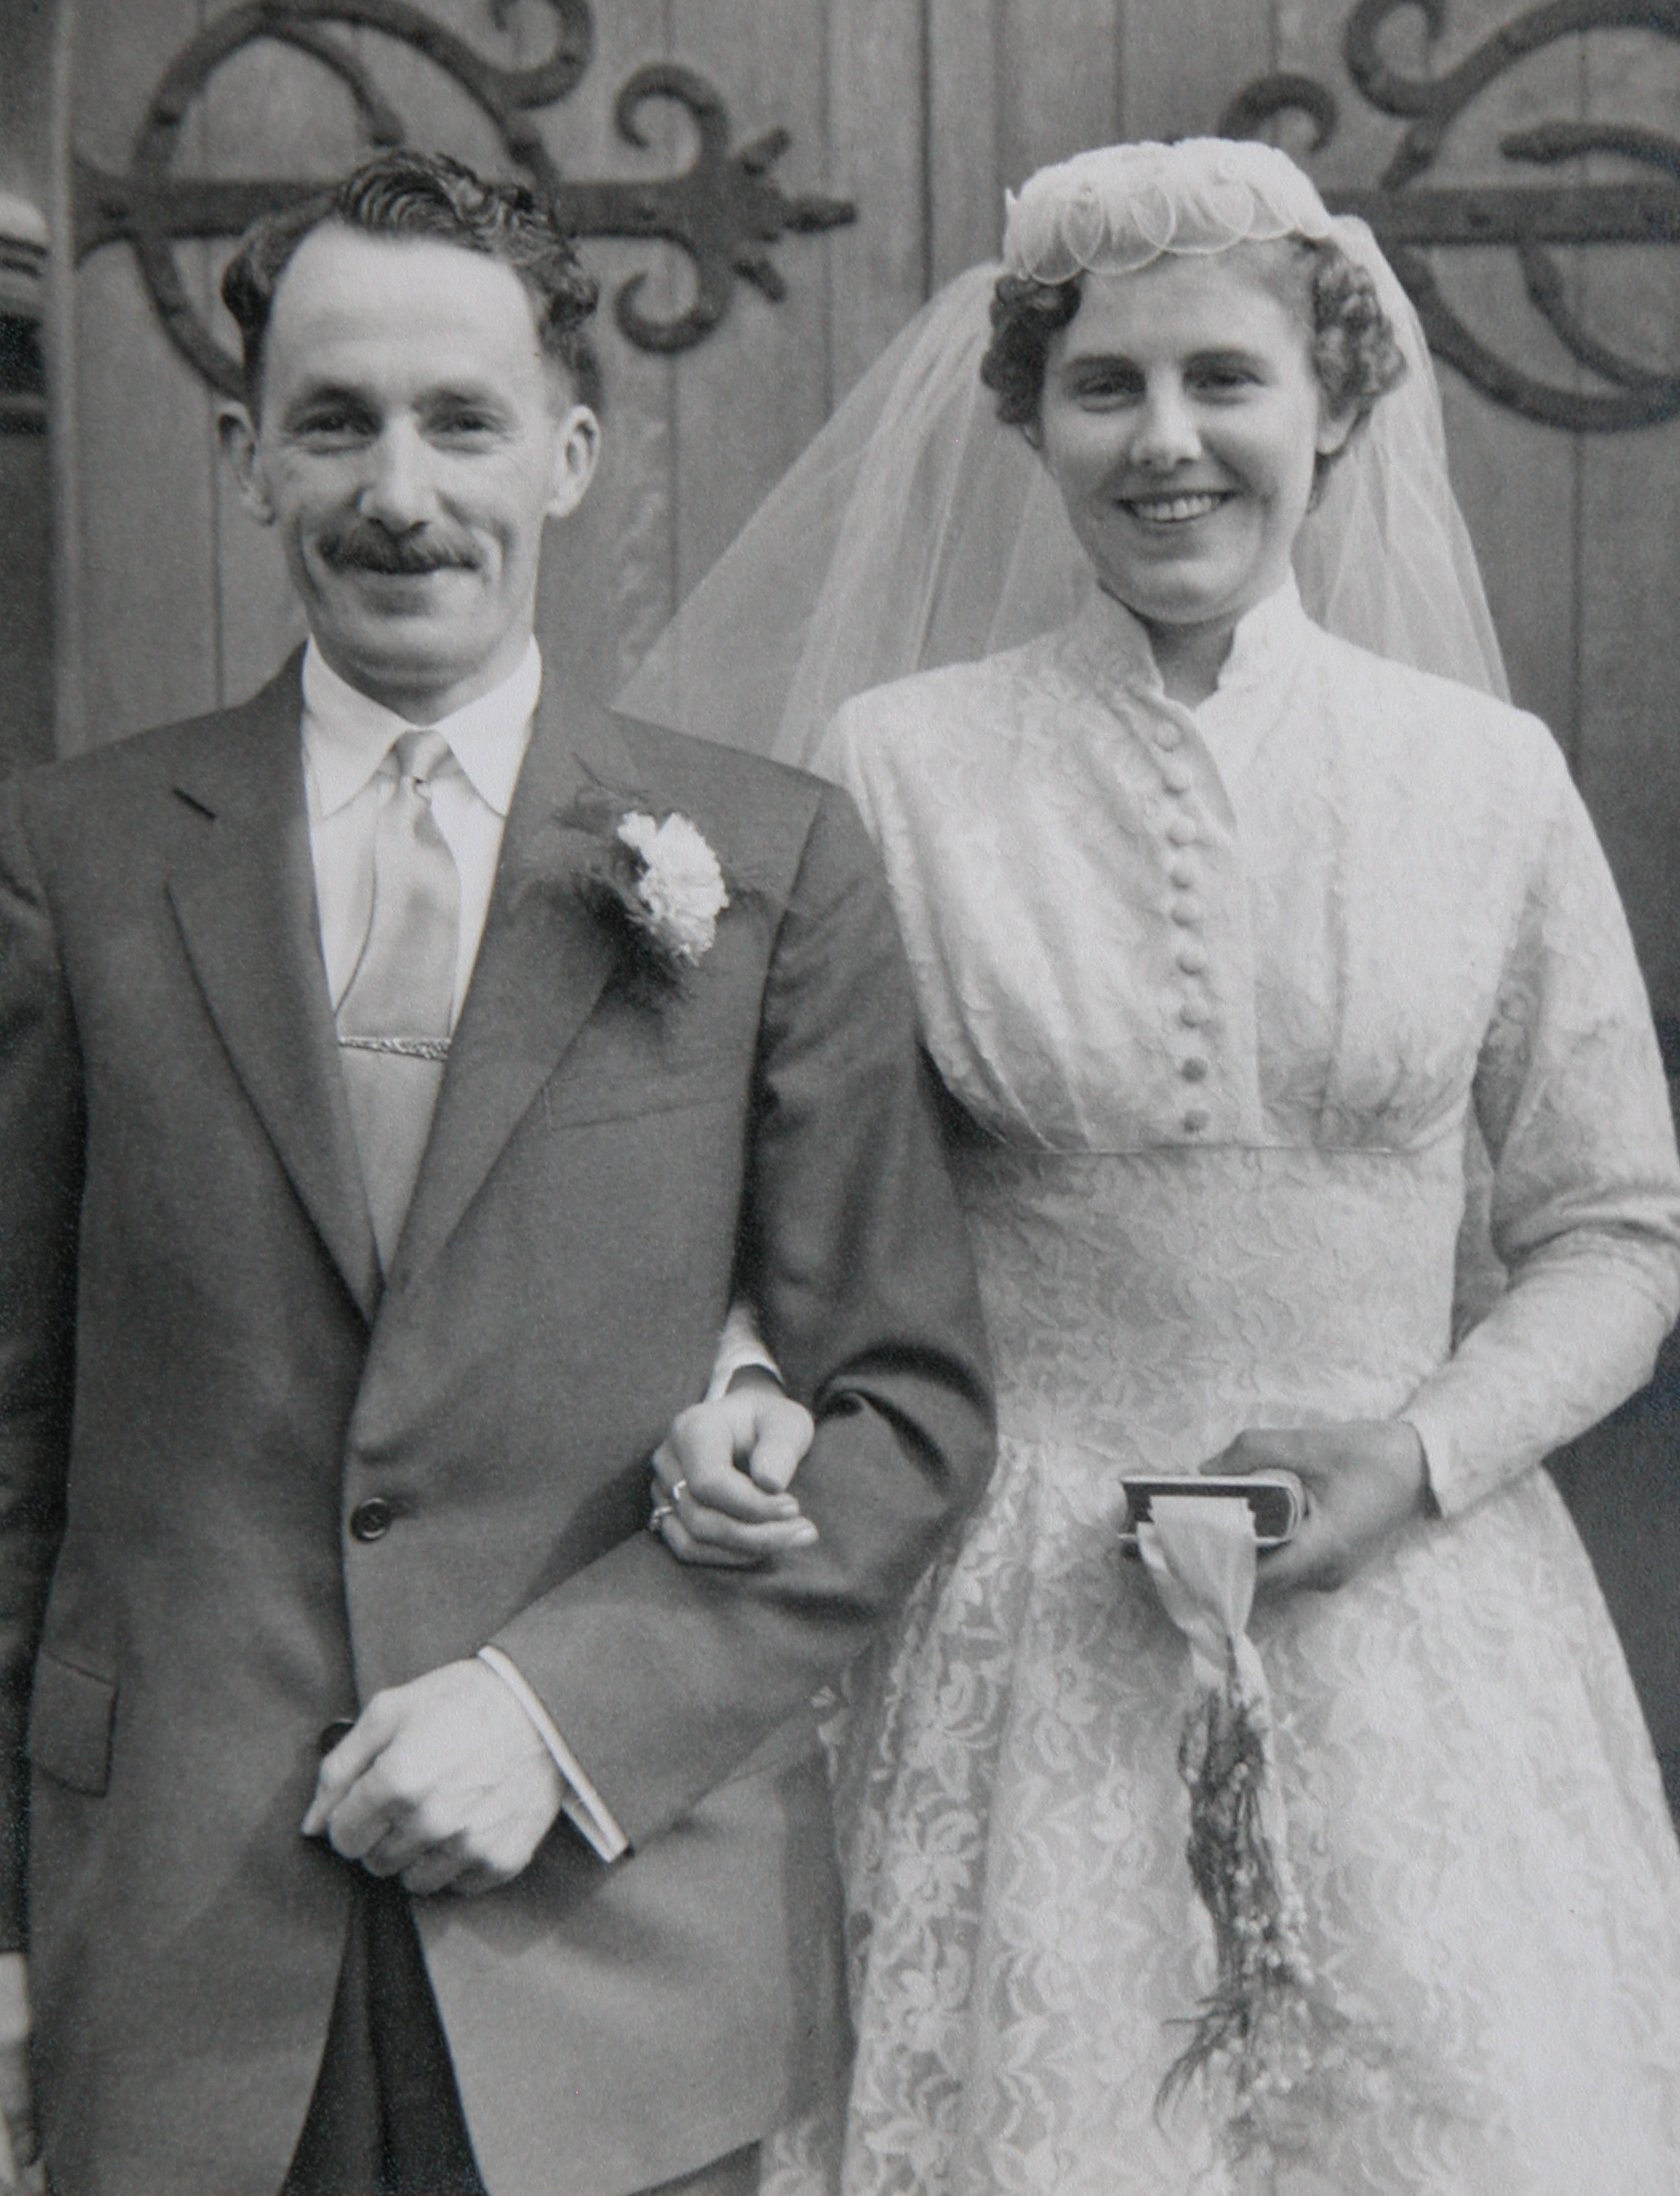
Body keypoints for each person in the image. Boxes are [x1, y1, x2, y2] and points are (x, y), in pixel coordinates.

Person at [625, 138, 1680, 2193]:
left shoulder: (1483, 778)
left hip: (1421, 1617)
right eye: (1106, 385)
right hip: (1021, 1616)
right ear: (1027, 413)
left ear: (1335, 403)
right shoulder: (901, 764)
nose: (1168, 440)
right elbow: (804, 1214)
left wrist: (1424, 1450)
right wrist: (744, 1391)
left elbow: (1619, 1229)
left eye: (1228, 379)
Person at [0, 149, 993, 2196]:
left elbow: (901, 1405)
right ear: (246, 453)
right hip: (175, 1937)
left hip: (611, 1949)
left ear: (566, 449)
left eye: (460, 419)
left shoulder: (772, 861)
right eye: (334, 421)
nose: (400, 487)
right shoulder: (75, 862)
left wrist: (557, 1715)